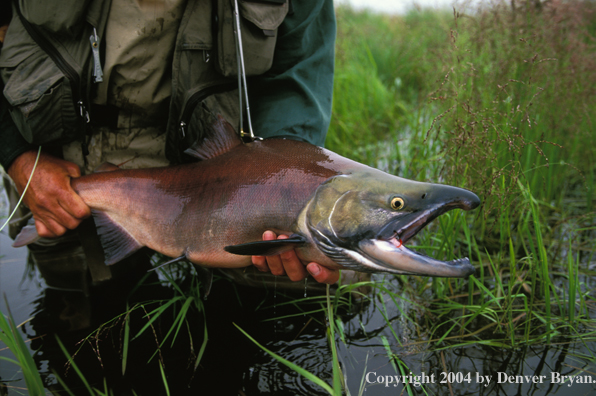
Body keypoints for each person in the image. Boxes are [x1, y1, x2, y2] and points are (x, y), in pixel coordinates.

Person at [0, 0, 339, 289]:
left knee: (324, 288)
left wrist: (287, 199)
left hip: (222, 177)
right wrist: (18, 156)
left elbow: (298, 72)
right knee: (81, 318)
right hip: (63, 161)